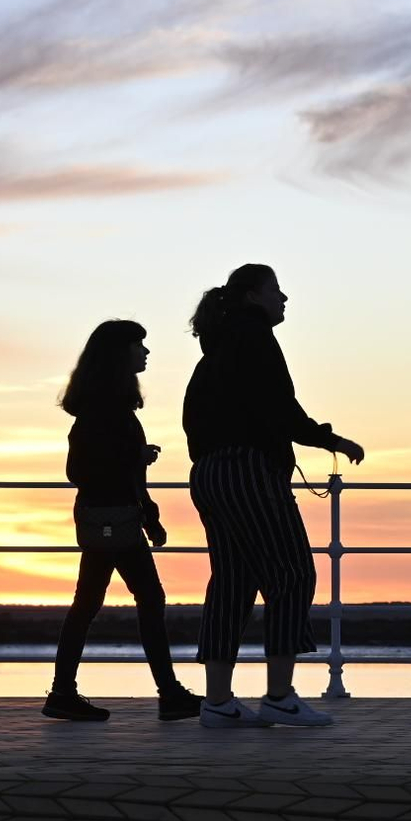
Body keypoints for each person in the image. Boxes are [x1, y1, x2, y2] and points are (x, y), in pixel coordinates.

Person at [182, 263, 365, 728]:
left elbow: (194, 420)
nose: (284, 299)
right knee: (293, 574)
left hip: (209, 473)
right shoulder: (255, 337)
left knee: (232, 583)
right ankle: (280, 695)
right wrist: (330, 440)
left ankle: (218, 702)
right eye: (276, 290)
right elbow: (281, 407)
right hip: (248, 471)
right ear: (252, 297)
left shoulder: (214, 353)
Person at [43, 319, 203, 722]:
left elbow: (112, 470)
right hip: (114, 519)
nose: (145, 352)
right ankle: (168, 694)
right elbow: (81, 470)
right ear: (120, 354)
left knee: (91, 603)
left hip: (110, 517)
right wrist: (136, 458)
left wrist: (148, 510)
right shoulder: (105, 410)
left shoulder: (104, 407)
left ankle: (64, 692)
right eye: (138, 345)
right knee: (145, 598)